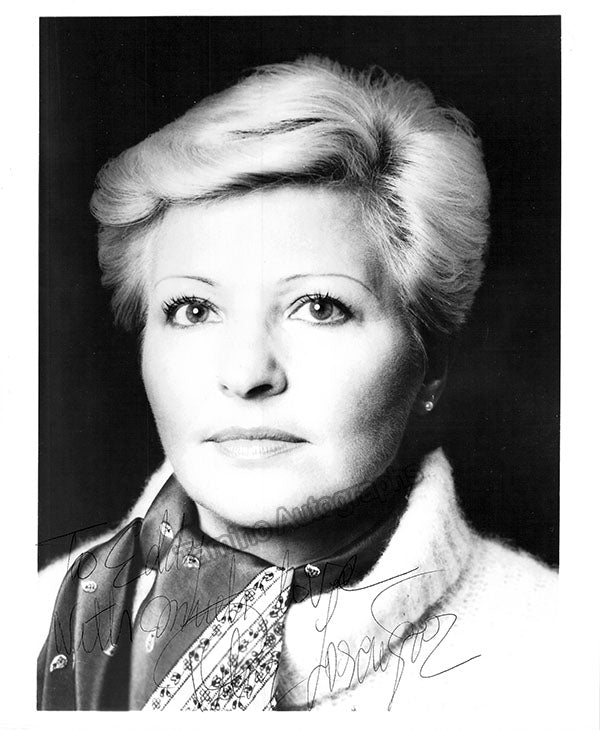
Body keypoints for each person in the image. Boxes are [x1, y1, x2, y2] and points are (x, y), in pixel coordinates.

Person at [38, 56, 558, 722]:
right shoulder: (28, 618)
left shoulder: (559, 657)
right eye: (194, 309)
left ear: (432, 362)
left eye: (318, 306)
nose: (247, 373)